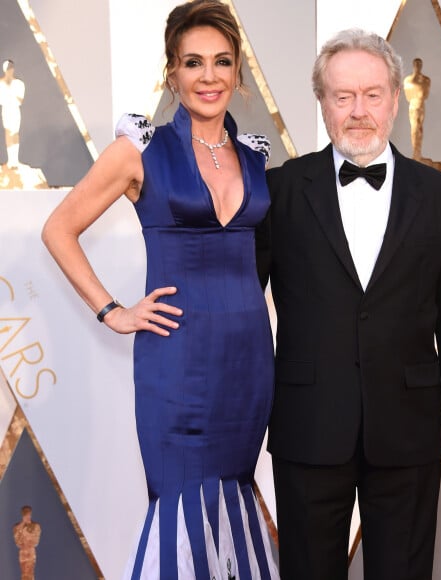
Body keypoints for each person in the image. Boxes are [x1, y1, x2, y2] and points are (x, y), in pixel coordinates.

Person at [42, 1, 278, 578]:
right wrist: (112, 311)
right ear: (171, 72)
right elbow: (59, 229)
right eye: (192, 62)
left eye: (222, 62)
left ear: (238, 71)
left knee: (235, 495)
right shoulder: (139, 151)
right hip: (176, 360)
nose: (209, 76)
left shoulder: (255, 157)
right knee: (179, 499)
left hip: (248, 359)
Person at [258, 29, 441, 579]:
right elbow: (240, 306)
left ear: (393, 99)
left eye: (372, 94)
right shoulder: (279, 191)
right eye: (343, 97)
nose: (358, 111)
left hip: (405, 426)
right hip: (307, 425)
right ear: (322, 103)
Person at [403, 57, 430, 160]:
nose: (418, 66)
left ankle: (417, 152)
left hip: (421, 105)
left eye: (420, 64)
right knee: (415, 127)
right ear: (414, 66)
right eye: (416, 64)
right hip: (414, 105)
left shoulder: (426, 80)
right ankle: (416, 153)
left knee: (419, 128)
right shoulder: (408, 80)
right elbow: (408, 96)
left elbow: (425, 95)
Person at [0, 59, 25, 168]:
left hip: (15, 110)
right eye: (7, 69)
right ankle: (11, 161)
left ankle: (15, 160)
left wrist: (9, 95)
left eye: (11, 68)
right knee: (8, 132)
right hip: (6, 110)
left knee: (15, 133)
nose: (9, 71)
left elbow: (20, 100)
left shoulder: (19, 83)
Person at [13, 505, 41, 580]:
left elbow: (36, 542)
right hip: (23, 552)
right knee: (24, 573)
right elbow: (17, 542)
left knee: (30, 572)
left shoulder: (36, 526)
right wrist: (22, 524)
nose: (27, 515)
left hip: (30, 552)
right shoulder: (17, 527)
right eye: (25, 514)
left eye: (28, 513)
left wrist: (27, 531)